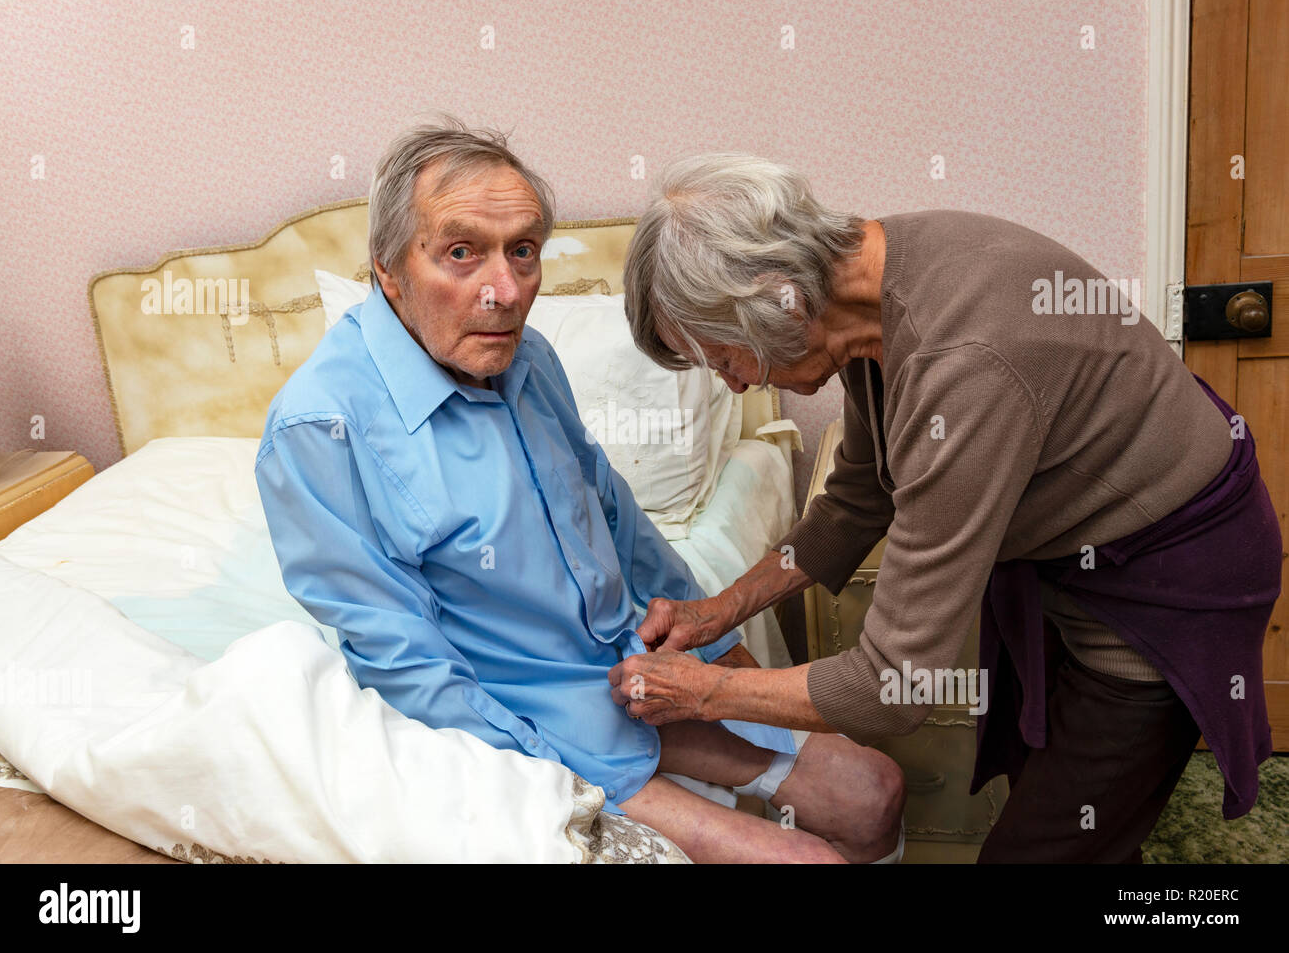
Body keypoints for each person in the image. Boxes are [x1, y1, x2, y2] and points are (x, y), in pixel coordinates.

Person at [255, 119, 906, 863]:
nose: (505, 292)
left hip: (627, 675)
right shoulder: (319, 428)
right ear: (388, 268)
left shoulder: (526, 358)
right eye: (461, 252)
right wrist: (560, 782)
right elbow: (409, 672)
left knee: (875, 789)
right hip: (530, 727)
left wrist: (719, 649)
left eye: (522, 251)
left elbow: (618, 522)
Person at [613, 152, 1281, 863]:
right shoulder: (867, 292)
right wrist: (718, 611)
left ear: (781, 303)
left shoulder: (965, 362)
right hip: (1076, 554)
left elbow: (890, 687)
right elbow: (859, 497)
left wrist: (706, 691)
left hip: (1167, 578)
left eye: (724, 358)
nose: (736, 386)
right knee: (1078, 817)